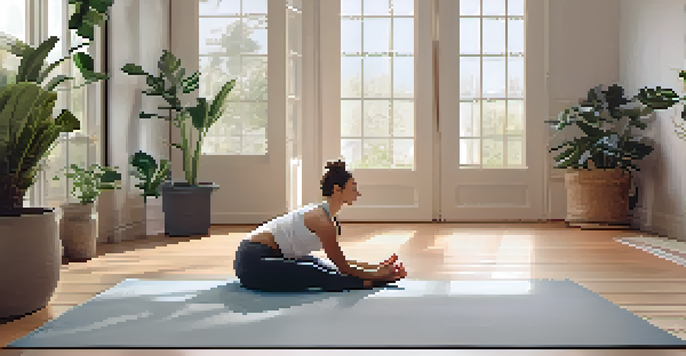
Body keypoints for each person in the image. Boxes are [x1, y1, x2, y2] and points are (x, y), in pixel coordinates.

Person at [233, 160, 407, 292]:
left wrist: (375, 266)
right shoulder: (322, 221)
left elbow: (337, 262)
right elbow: (343, 267)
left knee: (318, 263)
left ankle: (374, 278)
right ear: (338, 189)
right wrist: (376, 274)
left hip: (269, 257)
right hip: (253, 264)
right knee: (315, 272)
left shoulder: (326, 216)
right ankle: (372, 282)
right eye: (353, 188)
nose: (358, 193)